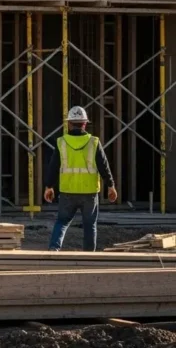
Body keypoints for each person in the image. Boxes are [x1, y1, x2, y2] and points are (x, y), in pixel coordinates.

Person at [44, 106, 118, 251]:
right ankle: (89, 256)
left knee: (62, 222)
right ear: (84, 124)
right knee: (90, 225)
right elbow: (104, 165)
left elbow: (53, 166)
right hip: (89, 192)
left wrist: (49, 186)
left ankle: (54, 249)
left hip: (67, 191)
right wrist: (111, 185)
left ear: (69, 123)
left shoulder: (61, 142)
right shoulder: (93, 142)